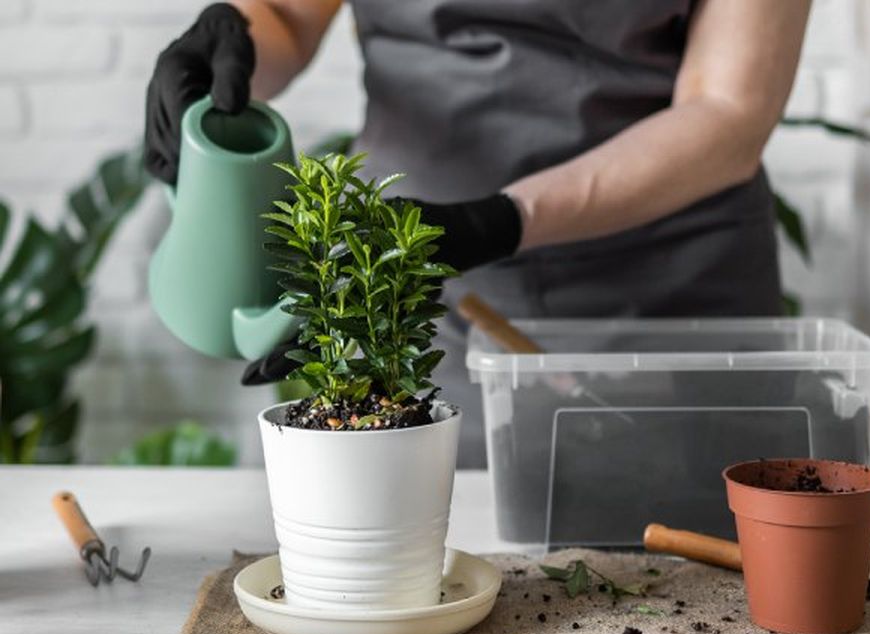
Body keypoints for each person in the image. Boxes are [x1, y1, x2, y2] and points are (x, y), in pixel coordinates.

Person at [144, 0, 811, 467]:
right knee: (434, 565)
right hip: (420, 295)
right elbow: (289, 12)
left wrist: (500, 220)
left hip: (670, 297)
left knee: (701, 586)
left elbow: (728, 109)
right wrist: (234, 41)